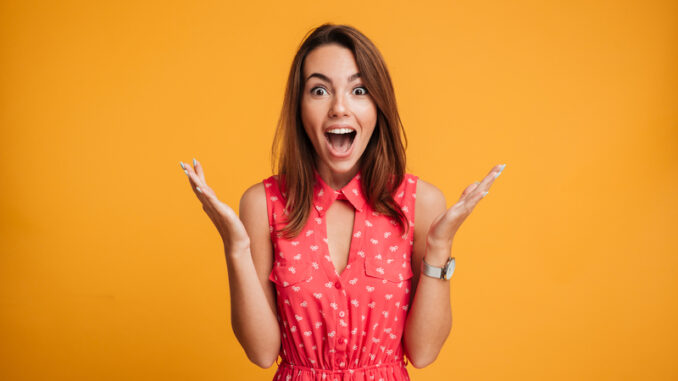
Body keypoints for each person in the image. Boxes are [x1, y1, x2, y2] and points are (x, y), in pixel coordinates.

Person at [180, 23, 505, 381]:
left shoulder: (422, 202)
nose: (339, 108)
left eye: (359, 90)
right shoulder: (263, 204)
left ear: (378, 105)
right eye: (319, 90)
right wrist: (236, 248)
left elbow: (424, 352)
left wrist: (440, 246)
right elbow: (261, 352)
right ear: (300, 108)